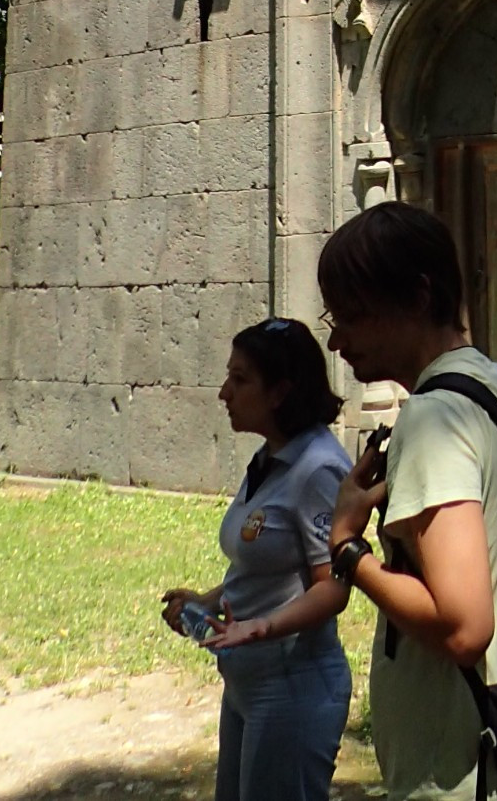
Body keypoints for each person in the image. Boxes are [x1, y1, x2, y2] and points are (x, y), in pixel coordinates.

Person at [317, 203, 497, 801]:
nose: (336, 340)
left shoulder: (433, 417)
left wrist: (348, 548)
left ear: (416, 297)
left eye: (353, 314)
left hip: (459, 763)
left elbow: (463, 627)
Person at [160, 318, 354, 801]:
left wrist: (260, 627)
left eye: (240, 379)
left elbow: (333, 586)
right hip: (248, 683)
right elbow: (264, 564)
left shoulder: (318, 469)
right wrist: (206, 602)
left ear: (280, 392)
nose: (224, 392)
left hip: (292, 688)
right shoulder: (271, 457)